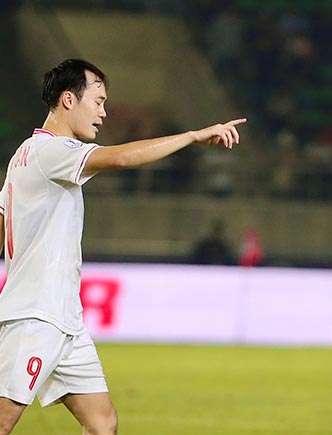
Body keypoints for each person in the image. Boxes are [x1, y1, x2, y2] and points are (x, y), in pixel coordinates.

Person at [0, 58, 246, 435]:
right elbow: (122, 157)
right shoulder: (52, 151)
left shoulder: (25, 154)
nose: (103, 112)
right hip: (36, 315)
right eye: (98, 101)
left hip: (64, 318)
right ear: (68, 100)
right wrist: (191, 136)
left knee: (103, 424)